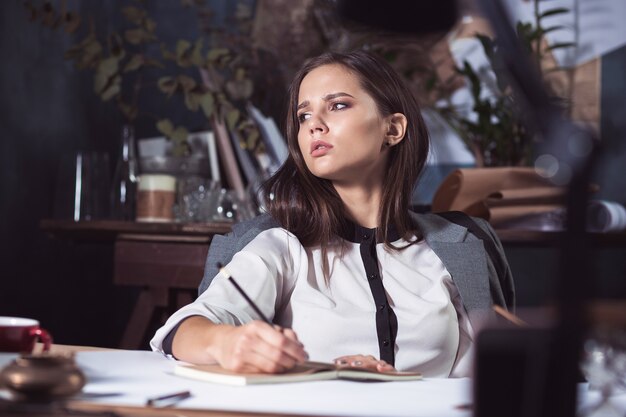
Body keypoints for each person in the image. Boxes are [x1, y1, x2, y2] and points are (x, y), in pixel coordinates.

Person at [151, 50, 514, 377]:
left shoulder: (458, 245)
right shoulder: (280, 245)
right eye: (303, 114)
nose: (313, 124)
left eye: (337, 105)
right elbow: (184, 331)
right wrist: (226, 343)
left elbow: (485, 375)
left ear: (393, 128)